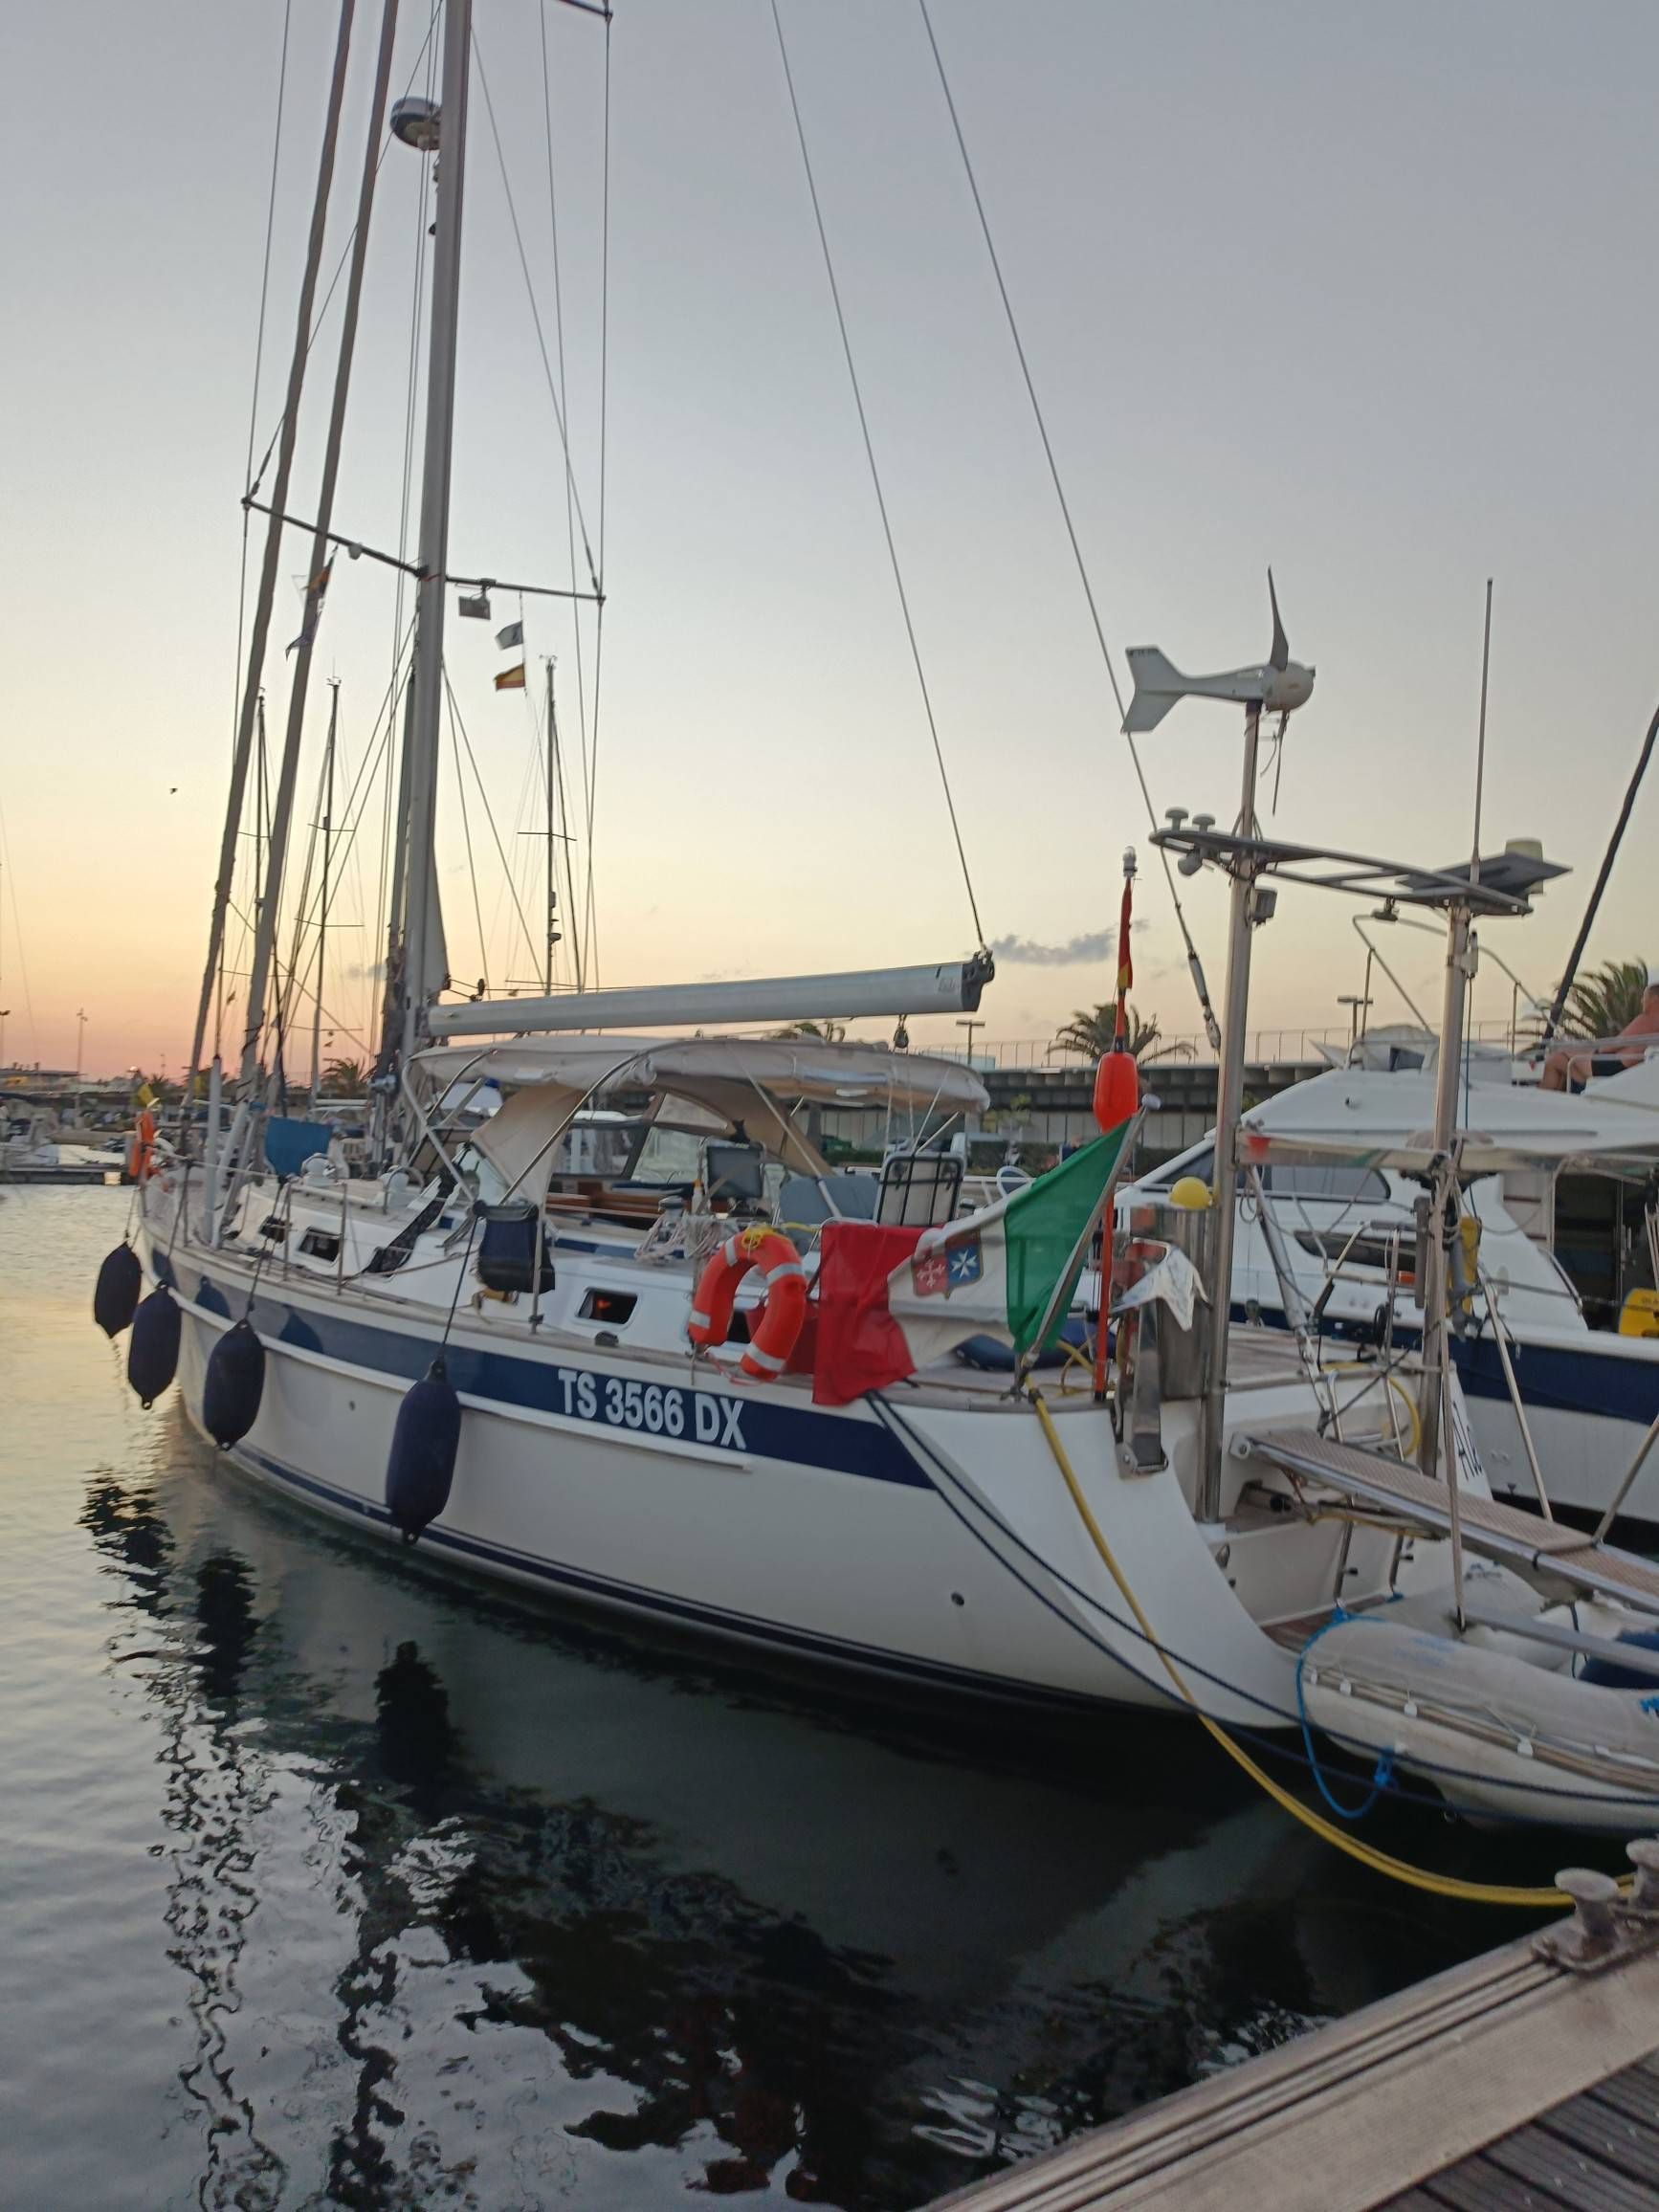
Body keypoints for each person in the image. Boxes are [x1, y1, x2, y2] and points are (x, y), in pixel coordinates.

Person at [1539, 970, 1659, 1090]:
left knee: (1559, 1053)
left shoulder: (1647, 1019)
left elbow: (1618, 1042)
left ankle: (1543, 1096)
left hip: (1613, 1067)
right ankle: (1577, 1086)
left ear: (1655, 1000)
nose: (1642, 1001)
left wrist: (1597, 1051)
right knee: (1557, 1058)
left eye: (1645, 997)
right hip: (1619, 1066)